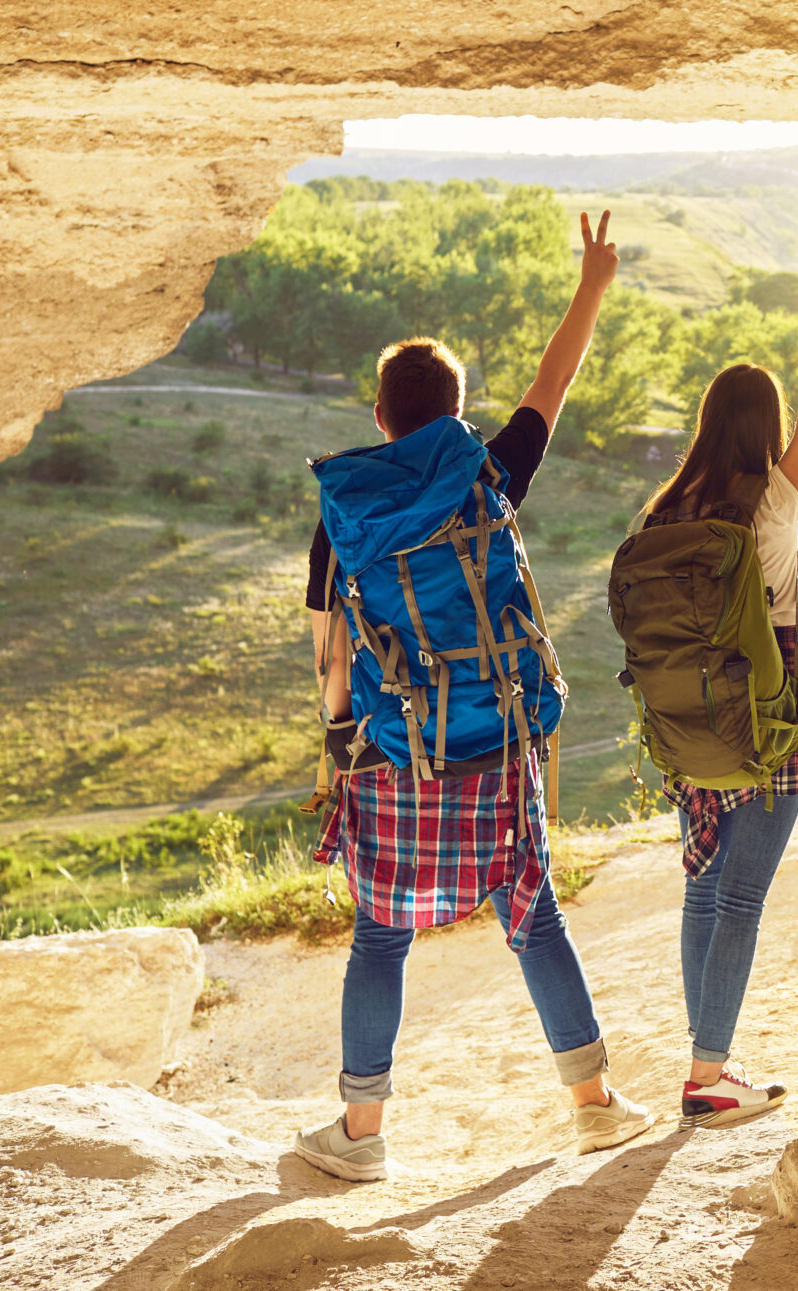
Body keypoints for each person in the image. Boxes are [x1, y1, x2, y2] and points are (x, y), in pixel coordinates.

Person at [293, 210, 654, 1181]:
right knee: (532, 913)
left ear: (380, 418)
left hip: (394, 748)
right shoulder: (487, 472)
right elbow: (553, 385)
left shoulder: (346, 510)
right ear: (455, 411)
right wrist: (592, 280)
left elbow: (332, 655)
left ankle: (362, 1136)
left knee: (380, 931)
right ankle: (595, 1103)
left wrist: (338, 752)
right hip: (500, 735)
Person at [643, 180, 798, 1125]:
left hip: (689, 713)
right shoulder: (775, 498)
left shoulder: (669, 508)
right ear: (762, 429)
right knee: (742, 896)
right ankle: (707, 1074)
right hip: (768, 710)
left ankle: (704, 1060)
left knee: (705, 886)